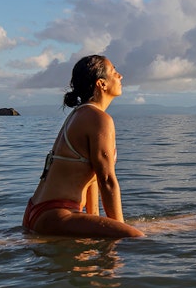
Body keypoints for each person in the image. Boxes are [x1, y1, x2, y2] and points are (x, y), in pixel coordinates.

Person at [23, 55, 144, 238]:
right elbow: (107, 180)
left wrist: (98, 222)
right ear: (101, 84)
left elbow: (92, 179)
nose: (120, 76)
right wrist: (120, 231)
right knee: (135, 237)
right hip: (57, 213)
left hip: (38, 211)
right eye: (114, 72)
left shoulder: (79, 114)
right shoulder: (99, 119)